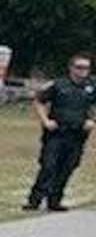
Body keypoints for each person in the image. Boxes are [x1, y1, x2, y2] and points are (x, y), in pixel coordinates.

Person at [25, 54, 96, 211]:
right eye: (79, 67)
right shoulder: (59, 85)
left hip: (78, 135)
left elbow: (93, 107)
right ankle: (34, 200)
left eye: (86, 68)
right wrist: (45, 121)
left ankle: (55, 201)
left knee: (67, 167)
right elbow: (38, 100)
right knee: (48, 166)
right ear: (71, 68)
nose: (83, 71)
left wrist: (92, 120)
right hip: (57, 133)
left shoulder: (92, 86)